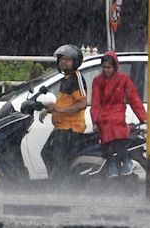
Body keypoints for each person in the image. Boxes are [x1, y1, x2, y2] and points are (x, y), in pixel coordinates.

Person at [90, 51, 147, 178]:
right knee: (107, 131)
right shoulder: (97, 81)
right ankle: (113, 162)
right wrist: (95, 120)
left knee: (116, 129)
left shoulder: (123, 79)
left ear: (115, 67)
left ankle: (122, 161)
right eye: (104, 67)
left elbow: (134, 99)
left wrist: (143, 117)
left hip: (118, 112)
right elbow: (95, 103)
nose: (106, 70)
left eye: (109, 67)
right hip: (103, 114)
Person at [39, 44, 87, 181]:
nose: (63, 62)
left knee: (61, 163)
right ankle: (56, 184)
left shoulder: (76, 78)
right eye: (61, 59)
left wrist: (59, 109)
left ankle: (62, 189)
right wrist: (48, 109)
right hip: (61, 127)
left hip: (70, 128)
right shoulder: (66, 79)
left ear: (75, 62)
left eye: (67, 59)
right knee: (46, 153)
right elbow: (64, 103)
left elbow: (82, 103)